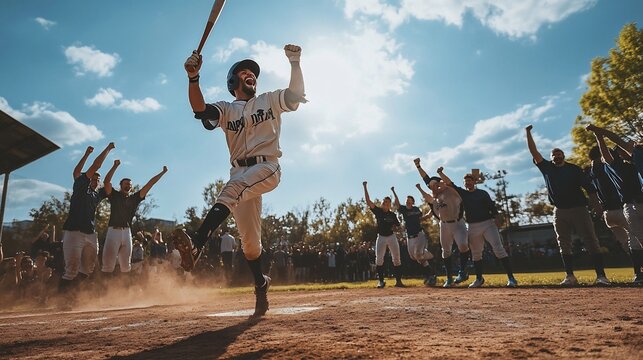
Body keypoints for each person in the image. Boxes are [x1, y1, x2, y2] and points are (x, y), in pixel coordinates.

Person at [176, 43, 307, 317]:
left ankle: (197, 242)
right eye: (245, 72)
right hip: (240, 173)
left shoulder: (269, 100)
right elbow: (200, 109)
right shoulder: (227, 109)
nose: (251, 75)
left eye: (253, 73)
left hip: (267, 167)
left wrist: (294, 63)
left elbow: (295, 95)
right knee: (250, 244)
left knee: (232, 189)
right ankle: (261, 283)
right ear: (233, 81)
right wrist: (193, 77)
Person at [525, 124, 609, 286]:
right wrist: (528, 133)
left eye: (559, 153)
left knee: (591, 240)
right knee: (563, 242)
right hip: (559, 211)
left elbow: (590, 190)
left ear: (564, 156)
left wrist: (597, 206)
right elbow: (534, 151)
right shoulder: (547, 168)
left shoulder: (574, 169)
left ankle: (601, 276)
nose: (557, 156)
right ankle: (570, 276)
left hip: (579, 209)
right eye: (554, 154)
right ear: (551, 158)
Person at [436, 167, 518, 288]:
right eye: (466, 181)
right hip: (473, 226)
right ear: (464, 184)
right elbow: (449, 183)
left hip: (488, 224)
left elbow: (492, 208)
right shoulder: (462, 193)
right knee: (476, 254)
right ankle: (479, 279)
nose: (468, 182)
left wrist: (497, 218)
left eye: (470, 180)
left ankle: (511, 278)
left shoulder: (482, 193)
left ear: (475, 182)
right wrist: (440, 173)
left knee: (498, 249)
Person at [586, 126, 643, 283]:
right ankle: (638, 274)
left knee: (633, 240)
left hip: (636, 204)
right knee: (637, 241)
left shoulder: (636, 161)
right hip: (628, 206)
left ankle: (638, 273)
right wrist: (599, 135)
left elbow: (620, 143)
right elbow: (607, 151)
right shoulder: (615, 165)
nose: (628, 148)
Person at [59, 143, 114, 295]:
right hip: (74, 231)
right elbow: (90, 167)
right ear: (87, 179)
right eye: (93, 178)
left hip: (90, 233)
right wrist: (107, 149)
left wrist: (114, 167)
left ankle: (74, 296)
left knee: (88, 268)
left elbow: (108, 184)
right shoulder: (81, 186)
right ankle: (61, 300)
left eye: (98, 179)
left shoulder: (97, 194)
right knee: (71, 268)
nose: (95, 180)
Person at [101, 159, 167, 283]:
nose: (128, 185)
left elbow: (149, 184)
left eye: (129, 184)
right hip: (113, 231)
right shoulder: (114, 195)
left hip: (127, 233)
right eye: (126, 183)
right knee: (108, 264)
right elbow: (106, 182)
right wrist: (115, 166)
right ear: (121, 185)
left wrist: (162, 173)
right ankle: (102, 294)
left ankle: (123, 294)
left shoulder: (134, 198)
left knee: (126, 265)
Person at [414, 158, 470, 287]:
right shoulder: (435, 198)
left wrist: (440, 174)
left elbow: (447, 183)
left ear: (443, 183)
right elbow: (426, 180)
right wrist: (418, 167)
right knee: (446, 251)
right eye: (432, 186)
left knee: (463, 245)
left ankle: (463, 271)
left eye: (437, 185)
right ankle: (449, 278)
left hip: (458, 223)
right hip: (444, 225)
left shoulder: (451, 192)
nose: (434, 187)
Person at [391, 186, 437, 286]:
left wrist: (431, 211)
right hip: (410, 237)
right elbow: (397, 203)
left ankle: (431, 270)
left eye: (410, 200)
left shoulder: (416, 209)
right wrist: (394, 192)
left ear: (413, 202)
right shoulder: (403, 209)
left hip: (419, 235)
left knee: (418, 254)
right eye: (407, 200)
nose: (408, 201)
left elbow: (422, 218)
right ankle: (430, 273)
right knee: (414, 257)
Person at [362, 181, 404, 288]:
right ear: (382, 203)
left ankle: (398, 281)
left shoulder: (392, 215)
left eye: (387, 202)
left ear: (390, 205)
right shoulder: (378, 211)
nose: (385, 203)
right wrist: (365, 186)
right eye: (384, 202)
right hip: (381, 237)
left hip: (391, 237)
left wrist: (398, 228)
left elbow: (398, 227)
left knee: (396, 258)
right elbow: (368, 201)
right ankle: (381, 281)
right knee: (379, 259)